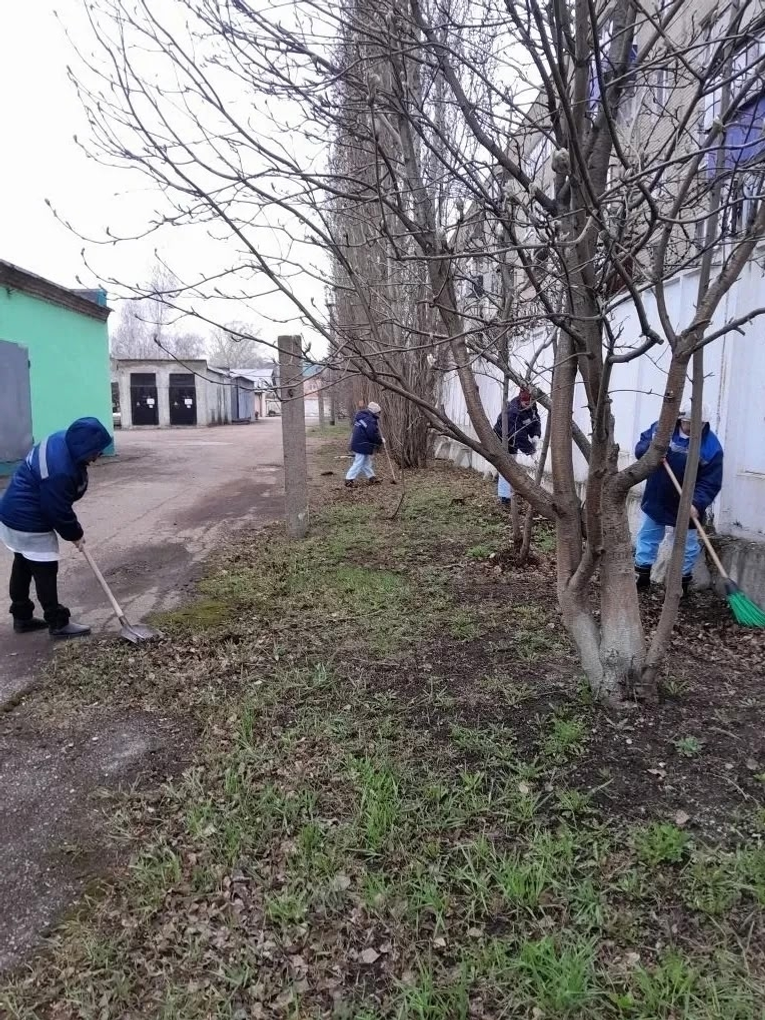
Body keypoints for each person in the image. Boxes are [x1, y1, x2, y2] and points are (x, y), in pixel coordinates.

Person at [0, 417, 113, 638]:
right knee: (45, 572)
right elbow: (57, 510)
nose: (97, 456)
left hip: (10, 511)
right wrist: (75, 534)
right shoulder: (60, 471)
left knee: (23, 563)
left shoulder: (61, 438)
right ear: (83, 446)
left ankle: (22, 616)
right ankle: (58, 623)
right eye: (96, 451)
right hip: (28, 520)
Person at [634, 406, 723, 594]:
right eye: (690, 423)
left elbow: (710, 482)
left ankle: (679, 585)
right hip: (658, 495)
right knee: (647, 536)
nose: (692, 427)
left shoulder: (711, 447)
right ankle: (641, 577)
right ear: (682, 419)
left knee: (687, 544)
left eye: (698, 424)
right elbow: (640, 447)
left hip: (687, 502)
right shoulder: (661, 429)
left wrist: (697, 504)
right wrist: (653, 452)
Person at [493, 387, 541, 505]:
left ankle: (499, 479)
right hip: (502, 440)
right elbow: (518, 435)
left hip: (513, 441)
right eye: (526, 403)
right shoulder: (512, 412)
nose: (528, 405)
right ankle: (505, 498)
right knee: (507, 467)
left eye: (531, 403)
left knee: (509, 466)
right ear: (520, 400)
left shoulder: (532, 407)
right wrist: (531, 451)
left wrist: (535, 435)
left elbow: (536, 422)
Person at [345, 401, 383, 487]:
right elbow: (372, 434)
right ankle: (348, 480)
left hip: (360, 443)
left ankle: (372, 477)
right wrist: (380, 440)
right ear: (374, 411)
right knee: (359, 462)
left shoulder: (363, 417)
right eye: (378, 412)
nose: (379, 414)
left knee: (366, 462)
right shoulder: (369, 420)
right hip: (362, 444)